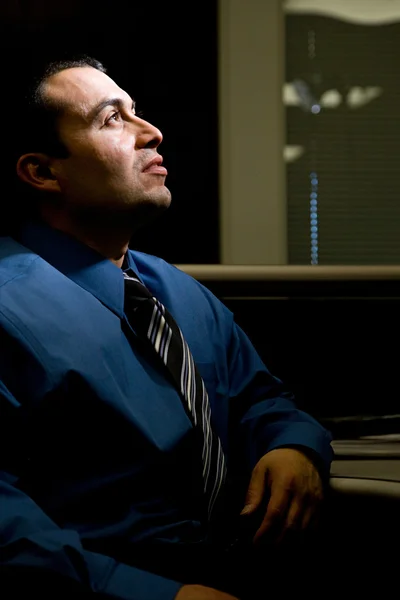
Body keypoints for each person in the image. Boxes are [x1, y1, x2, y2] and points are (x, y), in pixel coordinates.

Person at [0, 55, 333, 600]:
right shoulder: (7, 308)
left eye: (137, 112)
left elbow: (260, 399)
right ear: (41, 171)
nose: (150, 133)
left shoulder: (175, 291)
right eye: (112, 119)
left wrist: (292, 447)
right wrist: (161, 596)